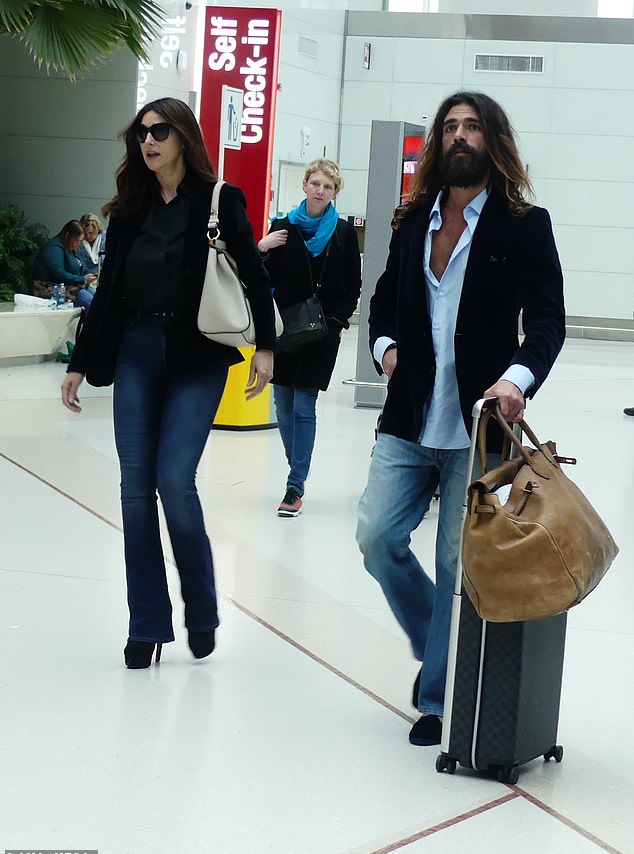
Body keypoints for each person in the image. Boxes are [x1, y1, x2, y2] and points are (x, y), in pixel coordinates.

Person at [356, 92, 566, 747]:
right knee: (376, 540)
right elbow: (384, 303)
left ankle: (436, 698)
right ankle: (438, 647)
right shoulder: (413, 219)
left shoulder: (523, 224)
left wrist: (517, 377)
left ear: (492, 139)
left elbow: (548, 322)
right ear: (437, 142)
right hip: (408, 418)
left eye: (472, 126)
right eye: (449, 127)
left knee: (456, 563)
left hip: (477, 428)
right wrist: (386, 350)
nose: (459, 136)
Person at [61, 97, 277, 669]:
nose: (147, 142)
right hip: (134, 352)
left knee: (174, 481)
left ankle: (202, 610)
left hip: (197, 358)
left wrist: (266, 350)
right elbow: (107, 292)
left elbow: (253, 275)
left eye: (158, 131)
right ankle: (147, 623)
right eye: (140, 134)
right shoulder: (128, 210)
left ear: (183, 137)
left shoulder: (219, 200)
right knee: (136, 492)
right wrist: (79, 362)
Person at [258, 159, 361, 517]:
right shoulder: (283, 228)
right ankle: (296, 465)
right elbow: (259, 279)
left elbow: (354, 284)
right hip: (286, 329)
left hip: (323, 332)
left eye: (328, 186)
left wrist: (336, 321)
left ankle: (294, 485)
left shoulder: (344, 233)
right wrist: (262, 247)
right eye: (315, 183)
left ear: (335, 192)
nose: (320, 190)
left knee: (304, 406)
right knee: (281, 406)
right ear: (304, 185)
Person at [32, 220, 97, 303]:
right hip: (56, 290)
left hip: (75, 288)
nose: (78, 244)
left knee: (101, 301)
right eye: (77, 240)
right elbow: (58, 274)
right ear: (67, 236)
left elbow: (83, 268)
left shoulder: (73, 248)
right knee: (93, 304)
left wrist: (89, 276)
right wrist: (82, 279)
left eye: (80, 241)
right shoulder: (53, 249)